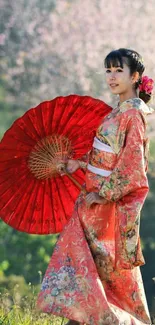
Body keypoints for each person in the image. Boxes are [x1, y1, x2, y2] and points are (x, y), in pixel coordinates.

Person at [37, 48, 154, 325]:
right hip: (92, 204)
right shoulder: (119, 112)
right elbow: (106, 155)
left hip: (105, 208)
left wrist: (103, 194)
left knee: (102, 278)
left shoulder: (133, 116)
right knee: (88, 274)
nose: (111, 77)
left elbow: (132, 165)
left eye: (118, 71)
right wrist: (80, 164)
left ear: (135, 76)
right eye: (108, 71)